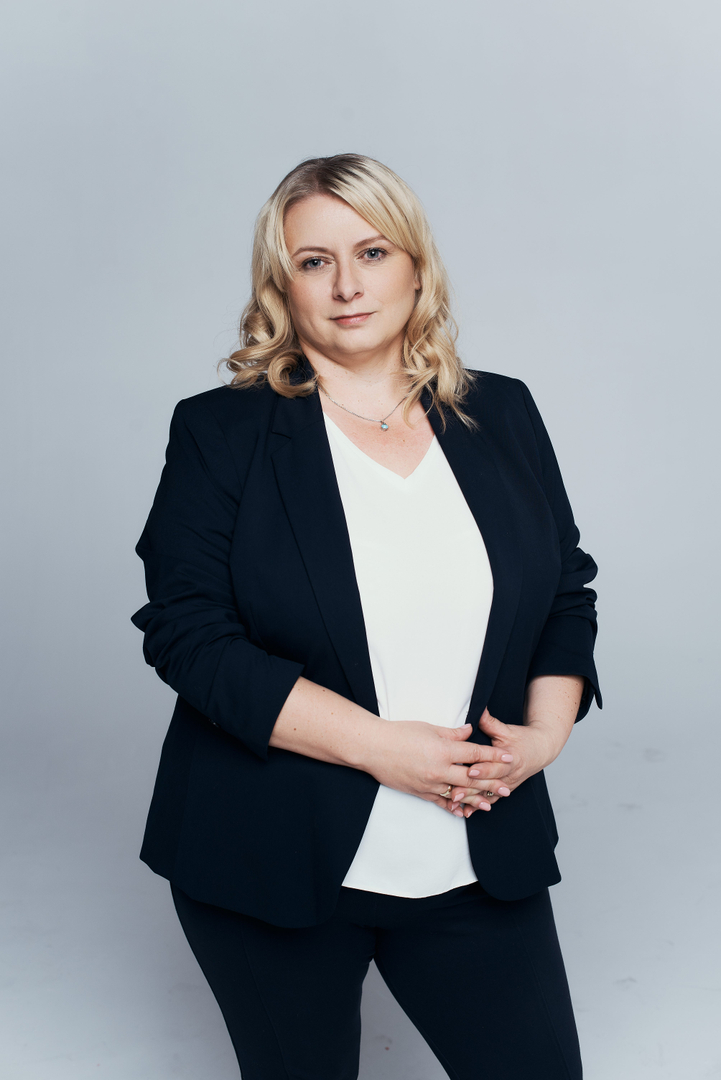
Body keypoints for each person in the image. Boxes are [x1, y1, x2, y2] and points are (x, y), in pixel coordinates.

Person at [132, 153, 601, 1080]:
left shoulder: (501, 412)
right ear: (283, 285)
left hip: (477, 846)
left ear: (416, 267)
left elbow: (564, 592)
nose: (347, 285)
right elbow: (190, 635)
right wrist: (382, 750)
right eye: (314, 262)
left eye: (372, 252)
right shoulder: (221, 432)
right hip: (270, 855)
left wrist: (543, 737)